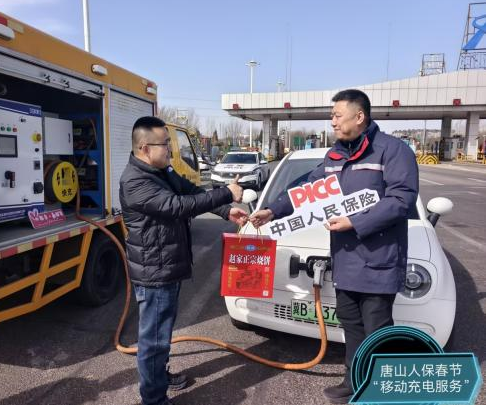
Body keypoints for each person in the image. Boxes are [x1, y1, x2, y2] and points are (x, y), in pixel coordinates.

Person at [250, 89, 419, 404]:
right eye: (332, 116)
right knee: (351, 324)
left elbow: (401, 199)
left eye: (337, 116)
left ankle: (380, 388)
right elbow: (307, 189)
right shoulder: (335, 155)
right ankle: (354, 380)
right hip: (345, 259)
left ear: (360, 116)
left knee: (377, 329)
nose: (333, 122)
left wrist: (355, 221)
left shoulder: (392, 151)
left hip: (379, 260)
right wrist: (273, 210)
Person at [119, 116, 248, 405]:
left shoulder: (161, 171)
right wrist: (226, 192)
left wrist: (226, 209)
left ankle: (159, 377)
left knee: (162, 333)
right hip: (154, 272)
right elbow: (177, 206)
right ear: (144, 148)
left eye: (169, 143)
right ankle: (153, 399)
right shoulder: (135, 181)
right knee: (153, 341)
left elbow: (190, 191)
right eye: (164, 144)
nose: (170, 149)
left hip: (167, 265)